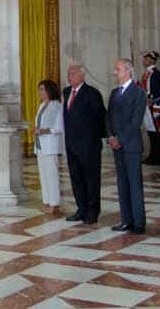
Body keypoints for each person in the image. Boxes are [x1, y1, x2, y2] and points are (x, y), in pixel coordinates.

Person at [62, 63, 106, 225]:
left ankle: (92, 212)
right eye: (68, 73)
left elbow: (100, 117)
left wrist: (94, 139)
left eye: (73, 73)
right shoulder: (66, 92)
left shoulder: (92, 93)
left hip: (89, 146)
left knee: (91, 179)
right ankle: (81, 209)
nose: (70, 76)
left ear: (82, 75)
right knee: (76, 179)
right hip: (71, 144)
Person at [107, 58, 147, 234]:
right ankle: (126, 220)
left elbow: (135, 121)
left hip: (130, 145)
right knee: (122, 183)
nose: (115, 72)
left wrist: (120, 139)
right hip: (117, 144)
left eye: (118, 69)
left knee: (134, 184)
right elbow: (108, 117)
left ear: (128, 71)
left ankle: (138, 222)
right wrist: (110, 136)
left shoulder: (138, 93)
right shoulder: (114, 92)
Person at [33, 79, 65, 216]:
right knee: (43, 175)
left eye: (42, 89)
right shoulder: (41, 106)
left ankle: (55, 204)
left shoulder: (56, 106)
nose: (40, 92)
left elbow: (59, 128)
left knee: (52, 176)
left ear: (49, 91)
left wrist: (43, 131)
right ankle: (46, 202)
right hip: (40, 146)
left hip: (50, 145)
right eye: (39, 89)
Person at [139, 51, 160, 166]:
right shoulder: (146, 73)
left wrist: (151, 101)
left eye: (146, 58)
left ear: (152, 60)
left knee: (156, 132)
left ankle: (156, 157)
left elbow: (158, 91)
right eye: (144, 58)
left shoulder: (155, 73)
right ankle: (152, 155)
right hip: (146, 105)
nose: (144, 60)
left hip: (154, 106)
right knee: (150, 130)